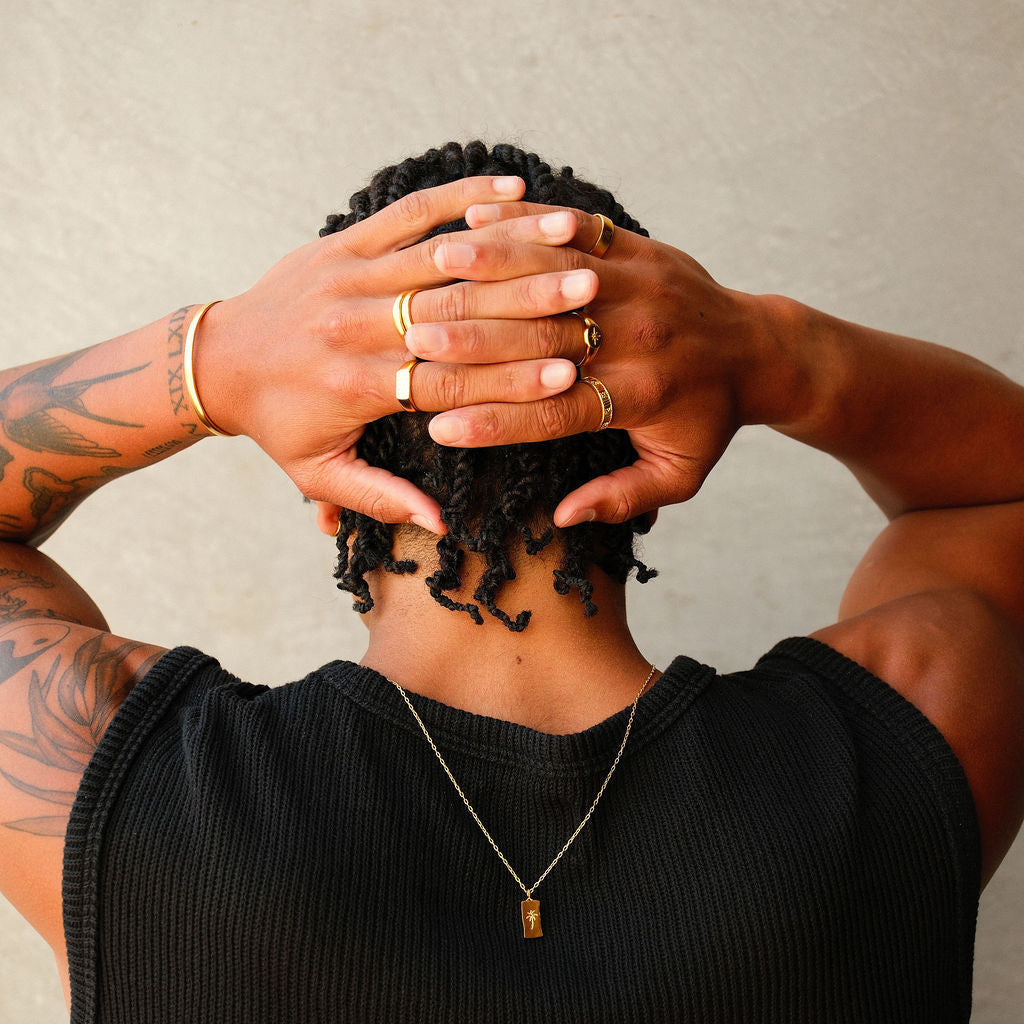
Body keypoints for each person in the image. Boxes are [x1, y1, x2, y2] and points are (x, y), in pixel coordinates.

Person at [0, 141, 1020, 1023]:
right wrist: (768, 349)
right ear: (652, 475)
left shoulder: (117, 786)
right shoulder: (911, 734)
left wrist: (214, 361)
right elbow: (996, 497)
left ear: (332, 492)